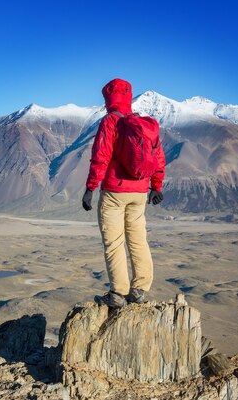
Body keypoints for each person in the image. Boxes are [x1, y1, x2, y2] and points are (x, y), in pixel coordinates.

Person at [82, 78, 166, 308]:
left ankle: (118, 293)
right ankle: (140, 289)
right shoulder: (143, 124)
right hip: (140, 192)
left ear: (108, 98)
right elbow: (158, 157)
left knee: (114, 242)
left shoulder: (111, 121)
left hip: (114, 193)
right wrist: (156, 186)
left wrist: (90, 188)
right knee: (138, 240)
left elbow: (101, 157)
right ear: (128, 97)